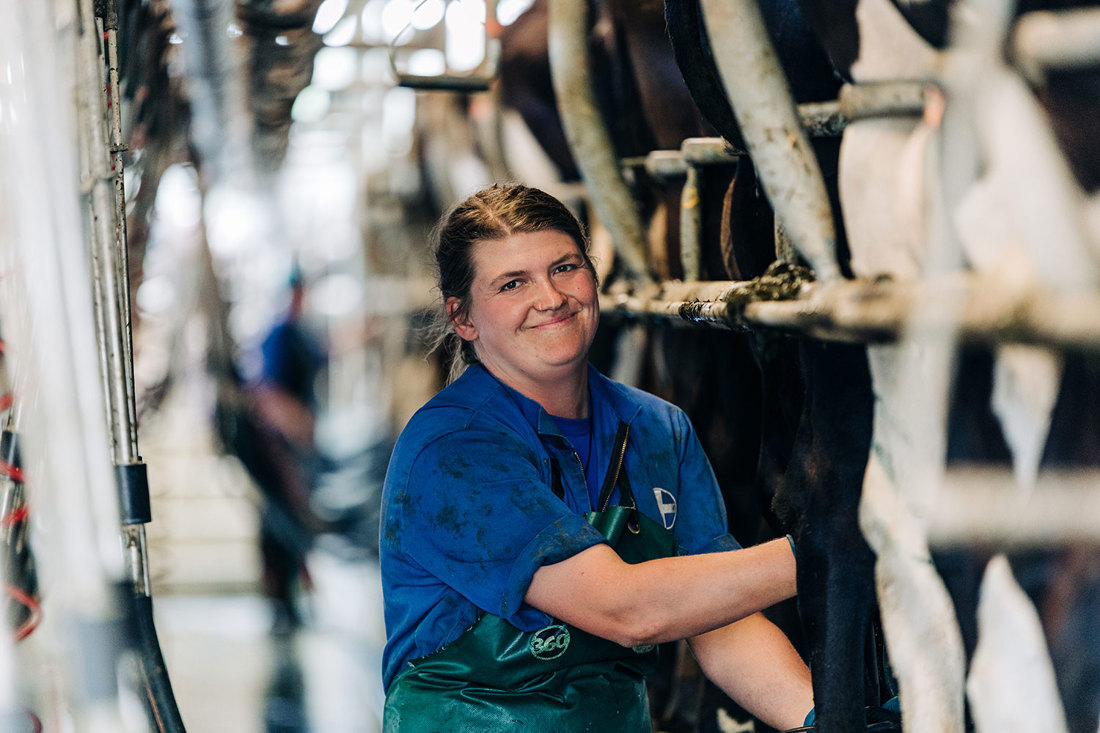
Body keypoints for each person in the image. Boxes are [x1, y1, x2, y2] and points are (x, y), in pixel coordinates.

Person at [379, 184, 813, 730]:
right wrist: (828, 550)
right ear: (463, 319)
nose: (551, 297)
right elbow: (626, 609)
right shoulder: (454, 449)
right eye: (513, 283)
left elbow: (719, 623)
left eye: (564, 268)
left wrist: (819, 718)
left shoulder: (658, 429)